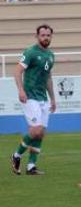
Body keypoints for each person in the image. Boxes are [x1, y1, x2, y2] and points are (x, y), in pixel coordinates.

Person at [11, 24, 56, 176]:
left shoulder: (50, 55)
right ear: (37, 36)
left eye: (48, 35)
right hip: (30, 97)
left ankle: (31, 166)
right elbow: (17, 70)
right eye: (43, 35)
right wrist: (21, 90)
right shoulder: (30, 52)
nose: (46, 38)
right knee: (35, 130)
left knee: (41, 133)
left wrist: (53, 99)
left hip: (43, 98)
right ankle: (16, 155)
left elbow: (48, 78)